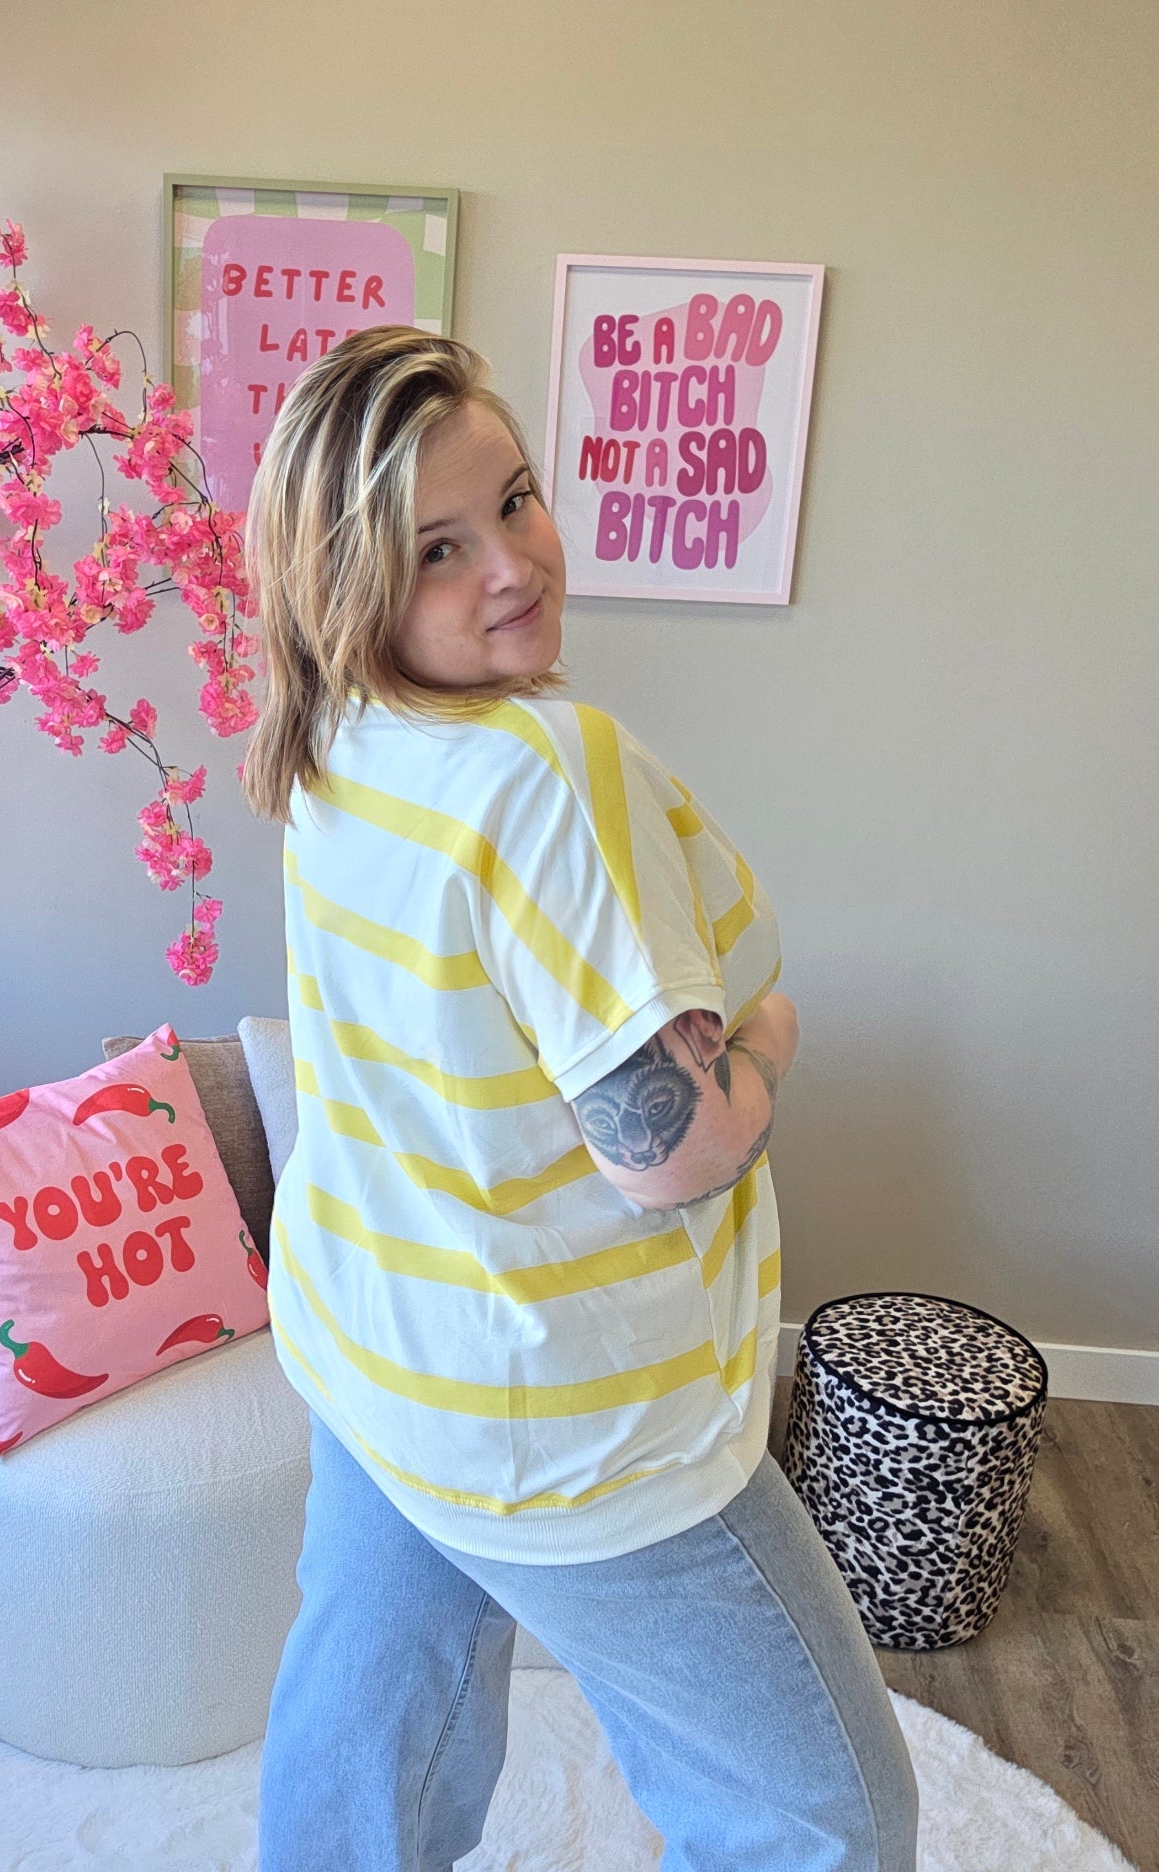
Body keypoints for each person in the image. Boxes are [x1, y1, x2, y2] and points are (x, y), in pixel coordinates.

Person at [239, 325, 918, 1871]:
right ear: (349, 585)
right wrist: (773, 1039)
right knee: (824, 1814)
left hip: (375, 1344)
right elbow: (673, 1153)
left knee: (370, 1754)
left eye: (517, 499)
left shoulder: (337, 740)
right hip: (567, 1410)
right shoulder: (545, 769)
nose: (514, 565)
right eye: (438, 548)